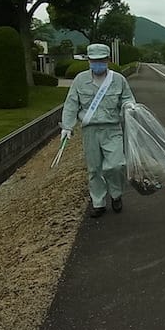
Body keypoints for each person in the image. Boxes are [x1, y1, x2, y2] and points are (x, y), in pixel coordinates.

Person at [61, 43, 136, 218]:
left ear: (108, 60)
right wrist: (67, 126)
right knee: (94, 169)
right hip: (90, 130)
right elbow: (71, 104)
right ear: (89, 61)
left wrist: (129, 106)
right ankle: (98, 203)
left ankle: (116, 194)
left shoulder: (118, 79)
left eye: (101, 60)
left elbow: (127, 98)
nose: (97, 64)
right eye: (94, 60)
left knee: (117, 164)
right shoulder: (80, 79)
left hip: (112, 128)